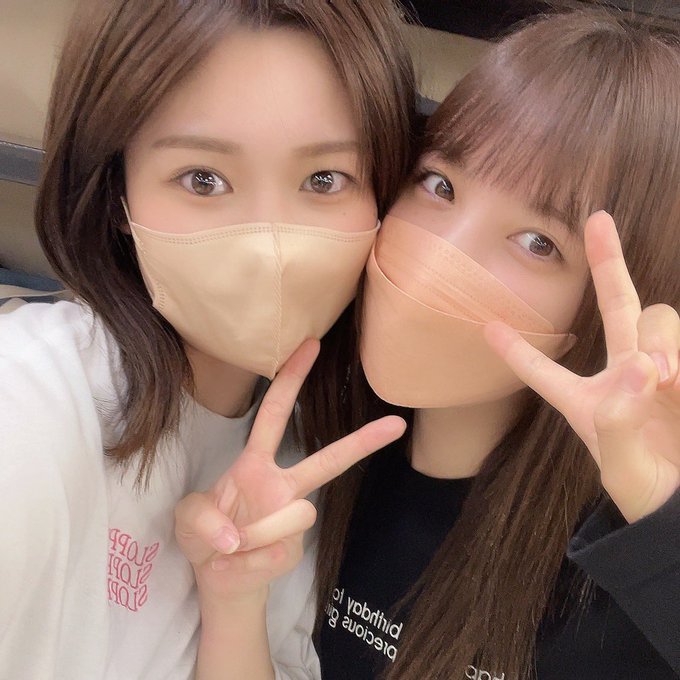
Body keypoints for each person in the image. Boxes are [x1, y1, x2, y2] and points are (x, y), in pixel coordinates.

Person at [176, 8, 680, 680]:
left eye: (538, 242)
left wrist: (665, 532)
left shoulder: (624, 560)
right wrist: (234, 597)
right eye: (440, 184)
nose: (442, 250)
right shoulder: (312, 459)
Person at [0, 1, 416, 679]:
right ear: (118, 195)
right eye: (203, 179)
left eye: (324, 180)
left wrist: (234, 602)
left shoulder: (315, 459)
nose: (269, 247)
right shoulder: (31, 398)